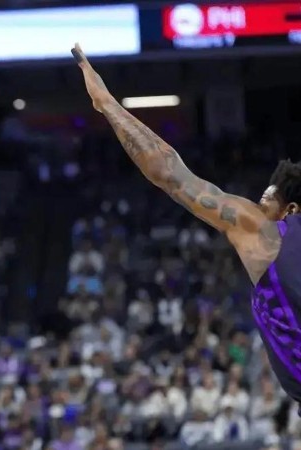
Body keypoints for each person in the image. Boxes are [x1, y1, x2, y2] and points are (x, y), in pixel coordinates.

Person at [72, 43, 301, 409]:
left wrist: (107, 104)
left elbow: (171, 175)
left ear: (291, 210)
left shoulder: (270, 235)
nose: (259, 211)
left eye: (265, 205)